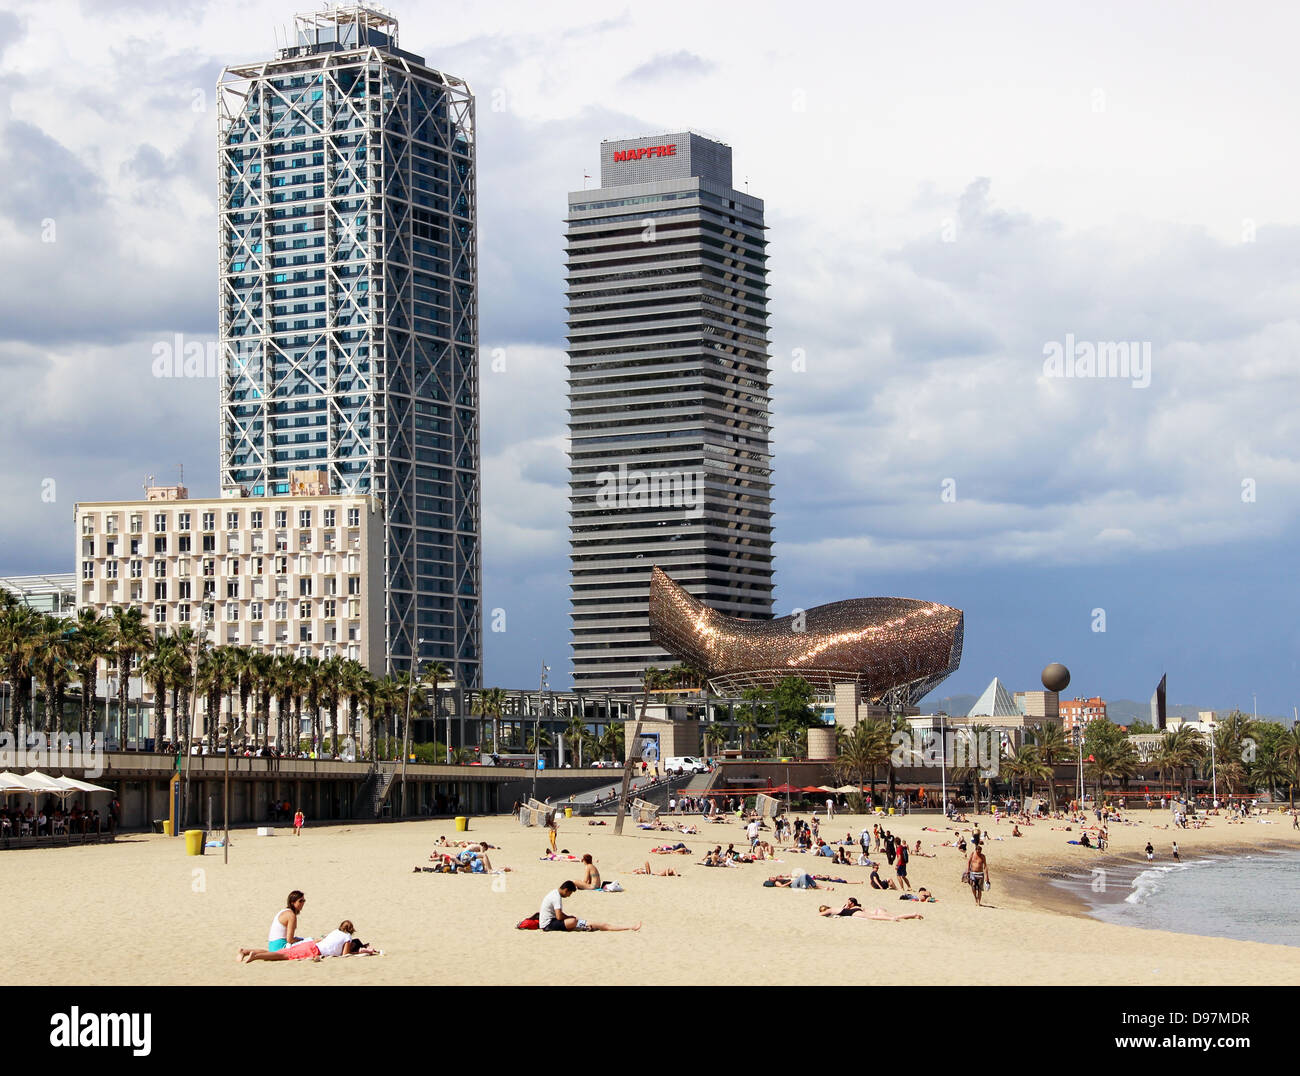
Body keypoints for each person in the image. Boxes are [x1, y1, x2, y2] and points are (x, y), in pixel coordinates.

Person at [538, 881, 640, 932]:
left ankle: (585, 926)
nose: (569, 896)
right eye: (570, 893)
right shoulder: (556, 897)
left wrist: (569, 917)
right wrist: (570, 918)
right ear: (566, 890)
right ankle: (630, 927)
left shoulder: (554, 893)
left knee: (575, 920)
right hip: (547, 925)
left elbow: (559, 916)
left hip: (548, 922)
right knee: (574, 921)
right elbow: (559, 917)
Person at [817, 898, 923, 921]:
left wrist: (821, 914)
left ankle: (891, 919)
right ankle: (912, 915)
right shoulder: (839, 907)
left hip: (854, 913)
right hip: (857, 911)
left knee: (873, 917)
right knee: (895, 915)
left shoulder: (830, 910)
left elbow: (820, 915)